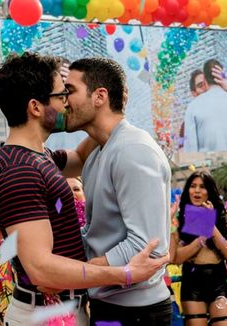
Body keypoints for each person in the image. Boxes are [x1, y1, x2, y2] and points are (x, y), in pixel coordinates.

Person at [0, 52, 168, 326]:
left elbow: (83, 156)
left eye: (69, 92)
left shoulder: (41, 156)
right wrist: (123, 273)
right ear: (36, 107)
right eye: (61, 94)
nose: (66, 102)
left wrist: (107, 113)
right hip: (48, 312)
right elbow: (43, 272)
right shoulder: (20, 169)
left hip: (100, 309)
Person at [65, 57, 172, 324]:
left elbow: (148, 246)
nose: (63, 101)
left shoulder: (132, 150)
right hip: (109, 306)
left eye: (70, 91)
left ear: (100, 96)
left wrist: (69, 274)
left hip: (137, 313)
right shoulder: (100, 149)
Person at [171, 171, 227, 326]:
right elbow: (176, 259)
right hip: (192, 280)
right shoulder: (179, 219)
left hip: (218, 279)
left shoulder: (225, 216)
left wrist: (210, 224)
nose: (197, 191)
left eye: (202, 187)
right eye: (193, 186)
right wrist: (200, 238)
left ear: (210, 190)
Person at [183, 59, 227, 152]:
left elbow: (190, 151)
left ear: (206, 80)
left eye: (203, 84)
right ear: (193, 93)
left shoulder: (193, 107)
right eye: (200, 85)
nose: (204, 88)